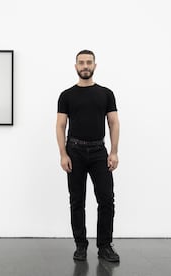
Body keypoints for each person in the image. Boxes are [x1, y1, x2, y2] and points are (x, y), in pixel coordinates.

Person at [56, 50, 120, 262]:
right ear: (75, 66)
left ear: (95, 65)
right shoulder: (66, 95)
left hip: (99, 152)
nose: (85, 66)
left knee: (106, 200)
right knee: (77, 200)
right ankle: (80, 246)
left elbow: (113, 123)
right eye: (81, 63)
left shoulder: (106, 93)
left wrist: (114, 151)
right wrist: (63, 154)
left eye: (88, 62)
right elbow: (60, 125)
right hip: (74, 150)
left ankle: (105, 246)